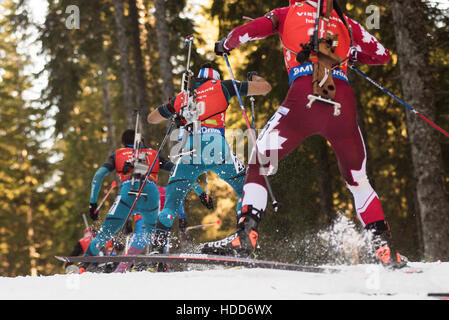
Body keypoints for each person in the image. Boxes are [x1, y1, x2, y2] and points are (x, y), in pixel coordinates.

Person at [200, 0, 407, 269]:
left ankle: (245, 235)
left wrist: (225, 44)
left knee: (259, 162)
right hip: (342, 107)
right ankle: (386, 251)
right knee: (358, 181)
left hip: (303, 101)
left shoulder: (287, 14)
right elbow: (381, 54)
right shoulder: (346, 22)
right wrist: (350, 55)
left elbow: (248, 31)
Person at [147, 62, 271, 256]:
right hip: (217, 147)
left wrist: (175, 108)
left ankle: (156, 251)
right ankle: (243, 238)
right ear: (216, 77)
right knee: (245, 188)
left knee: (171, 204)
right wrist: (254, 78)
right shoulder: (223, 86)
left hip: (188, 151)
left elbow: (152, 118)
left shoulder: (185, 96)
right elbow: (265, 88)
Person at [81, 129, 174, 272]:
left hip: (127, 195)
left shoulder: (118, 154)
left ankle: (82, 266)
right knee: (155, 235)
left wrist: (93, 204)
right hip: (150, 194)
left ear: (124, 143)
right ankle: (162, 264)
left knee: (105, 234)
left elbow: (98, 176)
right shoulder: (153, 154)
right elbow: (176, 170)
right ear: (142, 142)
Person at [113, 183, 213, 273]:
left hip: (151, 217)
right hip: (151, 217)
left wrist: (127, 221)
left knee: (146, 243)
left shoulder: (156, 191)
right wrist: (182, 220)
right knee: (156, 242)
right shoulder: (164, 192)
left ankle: (124, 269)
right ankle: (161, 266)